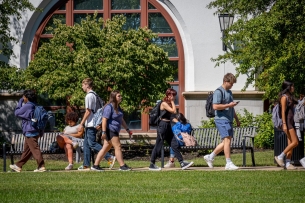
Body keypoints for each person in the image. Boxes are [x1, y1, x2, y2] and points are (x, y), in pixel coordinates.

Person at [149, 88, 194, 171]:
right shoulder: (164, 103)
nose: (174, 97)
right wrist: (173, 102)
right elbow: (173, 111)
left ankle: (182, 162)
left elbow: (173, 114)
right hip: (162, 126)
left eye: (174, 95)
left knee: (174, 144)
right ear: (168, 95)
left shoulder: (169, 104)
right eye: (172, 95)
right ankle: (152, 164)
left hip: (168, 126)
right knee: (158, 145)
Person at [203, 73, 241, 170]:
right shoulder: (218, 92)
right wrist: (228, 105)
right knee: (227, 140)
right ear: (225, 81)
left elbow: (231, 107)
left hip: (228, 119)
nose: (232, 85)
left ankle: (210, 157)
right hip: (221, 119)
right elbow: (215, 106)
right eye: (231, 83)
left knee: (226, 142)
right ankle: (228, 163)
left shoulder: (229, 92)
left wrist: (236, 119)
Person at [77, 78, 115, 171]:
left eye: (83, 85)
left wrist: (81, 124)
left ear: (87, 85)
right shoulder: (95, 94)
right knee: (86, 144)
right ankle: (86, 165)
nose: (82, 87)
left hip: (91, 123)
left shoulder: (89, 96)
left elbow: (88, 111)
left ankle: (109, 157)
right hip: (92, 123)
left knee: (92, 143)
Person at [91, 90, 132, 171]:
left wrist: (127, 129)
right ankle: (122, 166)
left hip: (115, 130)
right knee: (118, 146)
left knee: (105, 147)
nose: (121, 97)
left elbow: (121, 119)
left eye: (120, 96)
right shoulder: (109, 107)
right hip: (110, 129)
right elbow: (104, 119)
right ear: (114, 97)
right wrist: (103, 132)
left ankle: (95, 166)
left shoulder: (118, 107)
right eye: (119, 96)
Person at [10, 90, 46, 172]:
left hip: (30, 130)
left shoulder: (28, 106)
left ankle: (41, 166)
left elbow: (17, 113)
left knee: (35, 149)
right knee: (27, 150)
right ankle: (18, 166)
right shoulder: (35, 105)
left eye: (24, 97)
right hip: (36, 129)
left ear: (27, 98)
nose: (23, 98)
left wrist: (20, 102)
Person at [274, 81, 299, 169]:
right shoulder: (284, 97)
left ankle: (288, 163)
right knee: (295, 142)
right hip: (287, 123)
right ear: (288, 87)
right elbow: (283, 112)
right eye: (292, 87)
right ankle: (280, 157)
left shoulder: (290, 97)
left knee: (290, 144)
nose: (293, 88)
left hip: (291, 122)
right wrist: (284, 124)